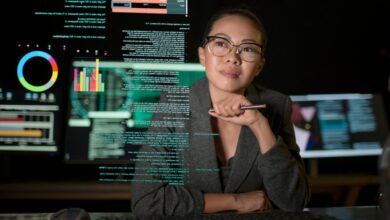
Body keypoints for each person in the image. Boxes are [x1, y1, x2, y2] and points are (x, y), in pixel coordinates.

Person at [131, 6, 310, 217]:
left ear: (259, 67)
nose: (233, 57)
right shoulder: (172, 104)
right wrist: (238, 202)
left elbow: (293, 202)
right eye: (221, 44)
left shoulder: (277, 104)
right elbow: (145, 202)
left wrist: (260, 126)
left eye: (248, 49)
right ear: (202, 56)